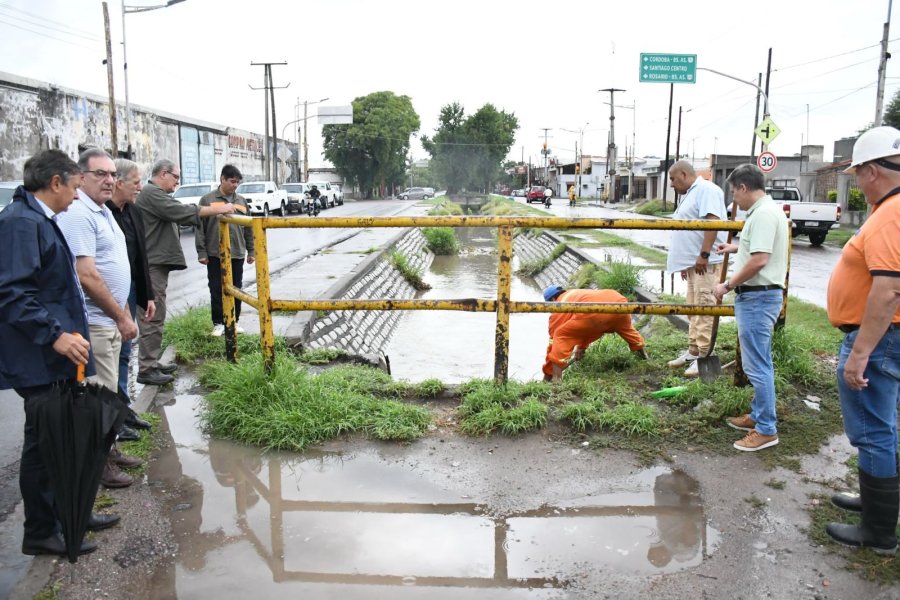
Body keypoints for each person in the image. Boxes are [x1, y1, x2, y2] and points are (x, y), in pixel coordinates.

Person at [0, 149, 118, 557]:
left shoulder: (38, 220)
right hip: (39, 357)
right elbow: (13, 294)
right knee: (43, 447)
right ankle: (42, 531)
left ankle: (72, 513)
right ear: (55, 183)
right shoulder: (19, 224)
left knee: (64, 440)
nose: (75, 195)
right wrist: (55, 336)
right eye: (73, 186)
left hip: (58, 357)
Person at [823, 126, 900, 555]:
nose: (856, 182)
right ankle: (875, 504)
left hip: (879, 338)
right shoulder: (891, 209)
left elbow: (888, 289)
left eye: (856, 175)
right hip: (886, 336)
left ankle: (878, 532)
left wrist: (861, 353)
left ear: (872, 171)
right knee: (884, 426)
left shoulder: (891, 214)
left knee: (872, 431)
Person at [56, 148, 140, 488]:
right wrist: (121, 317)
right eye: (99, 174)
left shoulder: (103, 212)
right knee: (98, 400)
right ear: (81, 177)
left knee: (107, 395)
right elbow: (87, 275)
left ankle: (110, 450)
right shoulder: (80, 214)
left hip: (109, 322)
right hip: (97, 323)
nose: (109, 180)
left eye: (111, 175)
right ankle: (100, 466)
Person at [136, 159, 235, 385]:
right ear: (163, 174)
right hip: (152, 264)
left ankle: (151, 362)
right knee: (152, 315)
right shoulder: (152, 193)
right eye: (176, 178)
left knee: (157, 313)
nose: (177, 183)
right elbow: (180, 212)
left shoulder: (155, 194)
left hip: (155, 263)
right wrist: (218, 208)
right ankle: (146, 368)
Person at [712, 164, 789, 452]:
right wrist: (735, 249)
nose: (734, 200)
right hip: (758, 296)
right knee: (759, 361)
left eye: (734, 193)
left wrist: (726, 285)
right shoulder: (764, 212)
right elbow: (756, 249)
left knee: (758, 366)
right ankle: (758, 416)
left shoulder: (765, 215)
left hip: (758, 297)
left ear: (744, 188)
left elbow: (759, 260)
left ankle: (766, 429)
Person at [665, 160, 729, 377]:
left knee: (704, 306)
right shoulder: (691, 193)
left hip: (705, 264)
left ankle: (704, 354)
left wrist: (703, 254)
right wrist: (686, 262)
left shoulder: (706, 190)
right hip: (693, 264)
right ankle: (693, 350)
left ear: (683, 174)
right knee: (693, 307)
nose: (672, 184)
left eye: (673, 179)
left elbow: (712, 221)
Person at [107, 158, 155, 430]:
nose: (140, 187)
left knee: (125, 352)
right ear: (119, 182)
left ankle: (123, 410)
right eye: (136, 182)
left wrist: (147, 296)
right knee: (110, 354)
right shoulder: (105, 213)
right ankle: (112, 418)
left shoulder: (133, 211)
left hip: (131, 289)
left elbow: (141, 259)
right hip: (109, 294)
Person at [542, 285, 648, 382]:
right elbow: (588, 329)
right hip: (619, 302)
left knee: (560, 335)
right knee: (627, 329)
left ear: (552, 300)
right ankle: (645, 358)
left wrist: (547, 373)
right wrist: (581, 347)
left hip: (595, 312)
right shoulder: (574, 293)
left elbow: (554, 343)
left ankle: (556, 379)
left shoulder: (560, 305)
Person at [196, 165, 255, 337]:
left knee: (237, 287)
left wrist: (251, 251)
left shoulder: (241, 201)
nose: (235, 185)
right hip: (215, 253)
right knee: (216, 287)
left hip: (236, 252)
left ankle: (234, 321)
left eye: (237, 182)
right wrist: (202, 252)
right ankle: (218, 323)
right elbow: (200, 228)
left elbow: (248, 228)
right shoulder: (208, 200)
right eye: (232, 181)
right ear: (222, 179)